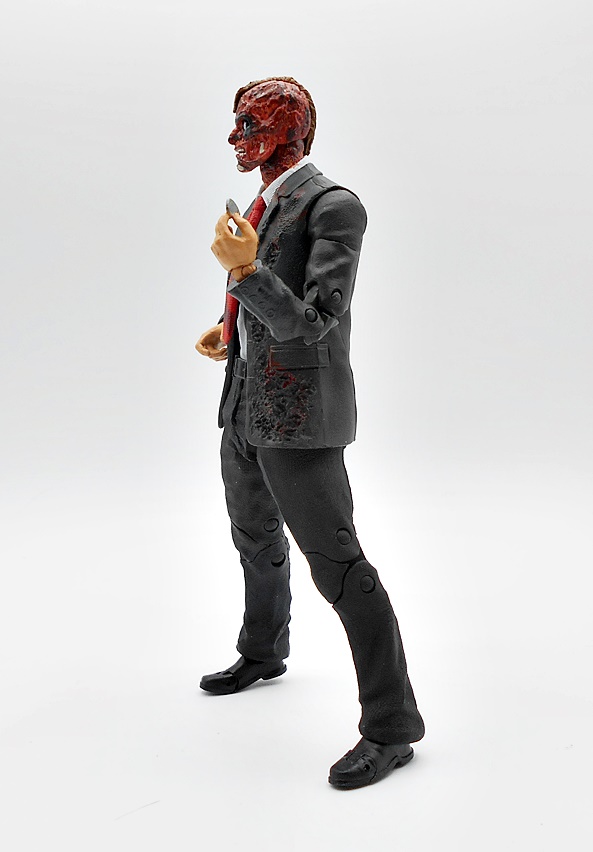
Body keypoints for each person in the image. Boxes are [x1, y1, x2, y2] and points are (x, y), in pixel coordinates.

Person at [196, 77, 425, 789]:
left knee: (341, 568)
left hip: (300, 421)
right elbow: (272, 309)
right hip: (245, 404)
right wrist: (231, 331)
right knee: (254, 539)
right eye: (236, 123)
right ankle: (263, 650)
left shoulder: (333, 206)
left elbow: (315, 321)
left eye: (248, 124)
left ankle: (392, 727)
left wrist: (243, 272)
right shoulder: (263, 203)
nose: (234, 137)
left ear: (290, 132)